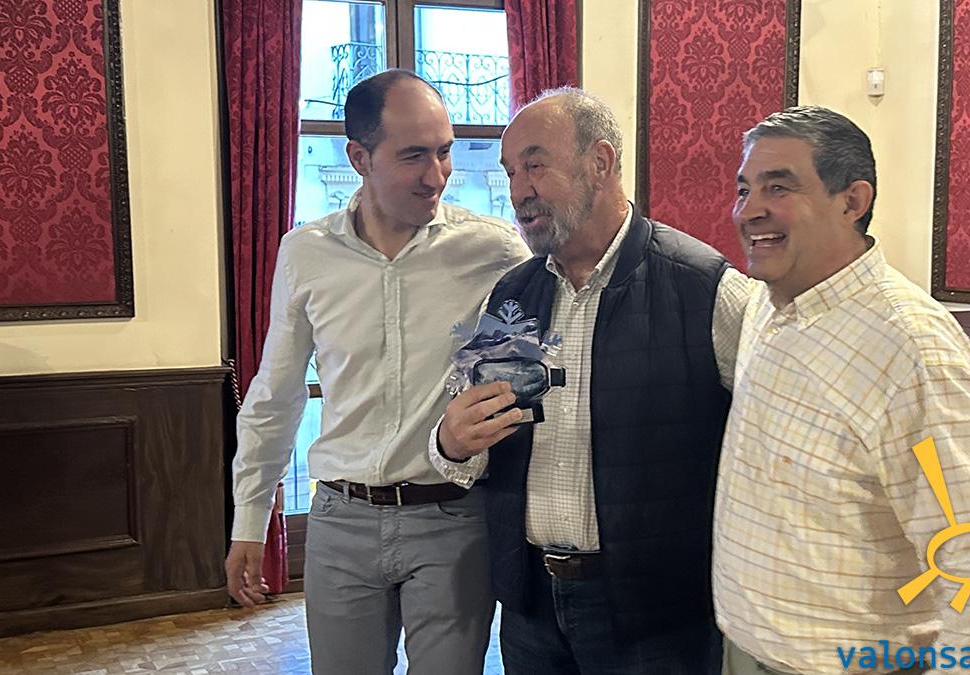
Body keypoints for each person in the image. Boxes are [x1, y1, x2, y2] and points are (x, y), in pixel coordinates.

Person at [432, 87, 754, 674]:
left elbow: (772, 442)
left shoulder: (706, 288)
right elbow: (469, 439)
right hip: (531, 607)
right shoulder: (512, 295)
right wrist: (451, 443)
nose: (519, 190)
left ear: (600, 162)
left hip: (658, 616)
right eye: (510, 172)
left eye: (535, 164)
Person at [226, 69, 529, 674]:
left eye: (444, 152)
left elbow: (540, 359)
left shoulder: (494, 250)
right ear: (358, 158)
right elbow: (276, 395)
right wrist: (249, 521)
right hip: (341, 522)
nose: (436, 175)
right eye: (414, 155)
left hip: (453, 519)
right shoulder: (305, 253)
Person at [714, 105, 970, 675]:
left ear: (852, 201)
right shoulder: (767, 303)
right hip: (750, 649)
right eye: (744, 189)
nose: (749, 210)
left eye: (778, 187)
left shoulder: (911, 346)